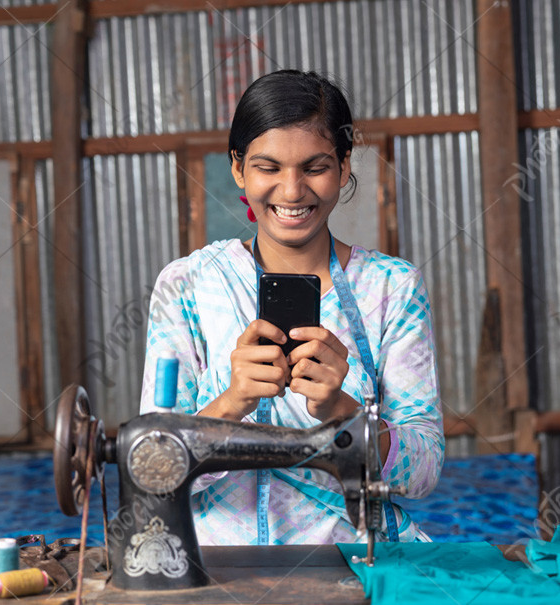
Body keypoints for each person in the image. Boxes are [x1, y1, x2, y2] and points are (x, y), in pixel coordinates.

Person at [140, 69, 444, 545]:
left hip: (351, 561)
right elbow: (154, 469)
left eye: (314, 167)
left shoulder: (391, 289)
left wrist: (342, 413)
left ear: (344, 167)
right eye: (268, 167)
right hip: (220, 569)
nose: (291, 191)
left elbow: (423, 470)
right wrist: (232, 403)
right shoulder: (188, 286)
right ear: (238, 168)